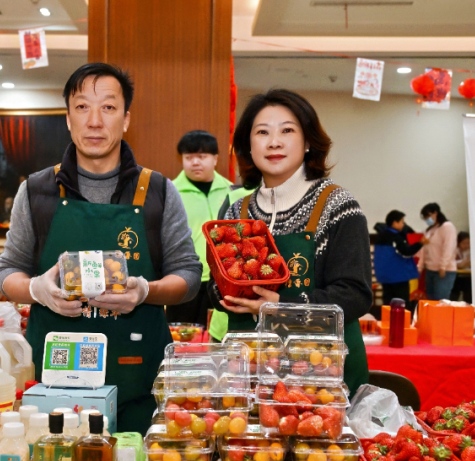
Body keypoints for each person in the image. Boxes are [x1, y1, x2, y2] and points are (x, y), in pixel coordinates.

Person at [0, 62, 201, 434]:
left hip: (138, 383)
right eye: (82, 107)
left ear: (125, 119)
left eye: (108, 107)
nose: (94, 121)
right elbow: (8, 271)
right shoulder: (36, 191)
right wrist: (37, 290)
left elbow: (188, 275)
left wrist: (145, 292)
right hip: (52, 390)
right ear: (68, 118)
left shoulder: (158, 191)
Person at [209, 89, 372, 392]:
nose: (274, 142)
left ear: (308, 141)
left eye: (287, 130)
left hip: (323, 380)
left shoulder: (337, 206)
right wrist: (223, 290)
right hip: (252, 377)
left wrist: (281, 306)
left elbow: (355, 295)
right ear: (248, 145)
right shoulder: (235, 212)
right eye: (262, 132)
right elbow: (215, 288)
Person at [166, 129, 251, 336]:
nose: (195, 162)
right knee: (183, 339)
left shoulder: (232, 191)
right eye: (189, 157)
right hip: (185, 279)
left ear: (215, 159)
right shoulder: (170, 192)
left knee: (217, 338)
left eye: (202, 156)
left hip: (223, 280)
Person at [372, 210, 423, 316]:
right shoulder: (396, 237)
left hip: (385, 276)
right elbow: (406, 252)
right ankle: (402, 323)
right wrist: (420, 243)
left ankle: (386, 321)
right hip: (398, 276)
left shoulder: (381, 236)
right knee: (402, 303)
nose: (403, 225)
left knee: (388, 302)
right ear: (395, 223)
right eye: (402, 222)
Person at [418, 202, 458, 301]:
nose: (427, 219)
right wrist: (420, 266)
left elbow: (449, 247)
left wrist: (443, 266)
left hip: (444, 271)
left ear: (435, 213)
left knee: (440, 301)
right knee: (430, 301)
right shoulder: (429, 230)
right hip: (430, 270)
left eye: (428, 216)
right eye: (425, 217)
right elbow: (424, 250)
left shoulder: (447, 226)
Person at [451, 231, 472, 302]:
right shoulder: (455, 251)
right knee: (454, 294)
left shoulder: (471, 251)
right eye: (464, 243)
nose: (466, 245)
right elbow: (454, 264)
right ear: (458, 243)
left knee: (469, 291)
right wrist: (463, 263)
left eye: (468, 243)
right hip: (456, 276)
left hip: (467, 276)